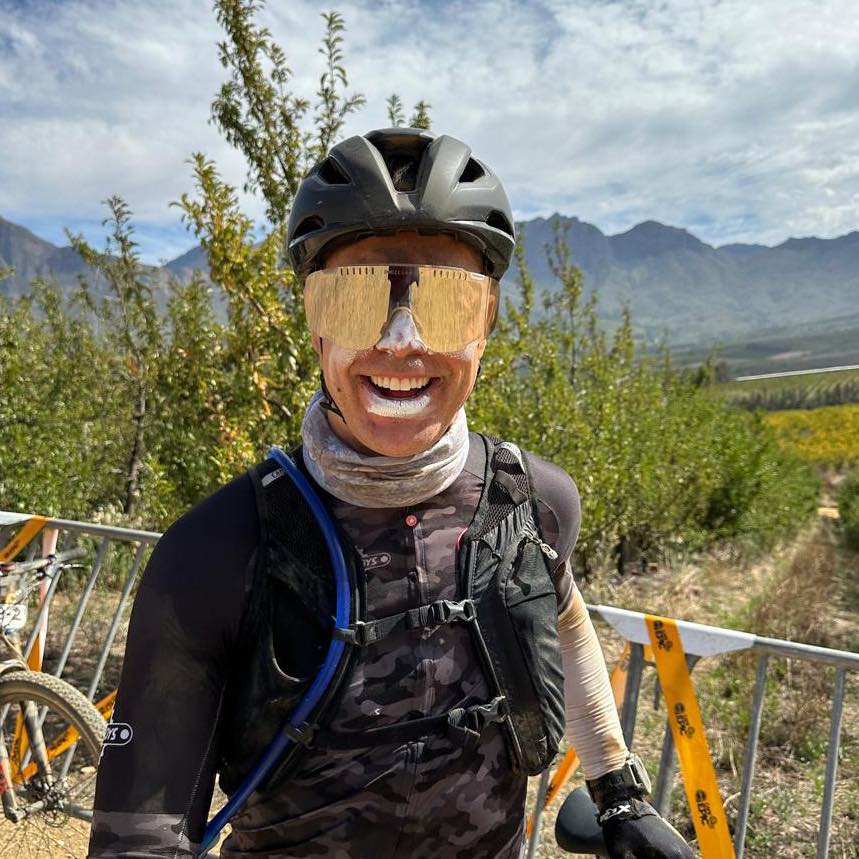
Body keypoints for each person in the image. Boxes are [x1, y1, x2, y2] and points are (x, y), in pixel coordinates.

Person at [87, 128, 692, 859]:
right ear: (313, 327)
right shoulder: (215, 553)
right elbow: (140, 836)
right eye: (353, 301)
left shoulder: (535, 503)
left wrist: (618, 791)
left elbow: (564, 614)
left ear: (488, 326)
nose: (401, 340)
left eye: (446, 303)